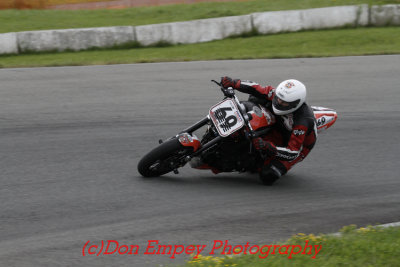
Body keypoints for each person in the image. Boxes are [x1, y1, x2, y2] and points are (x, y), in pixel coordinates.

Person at [220, 76, 317, 185]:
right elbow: (255, 88)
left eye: (283, 102)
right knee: (256, 98)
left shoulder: (302, 121)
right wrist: (234, 83)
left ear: (295, 103)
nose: (279, 102)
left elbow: (293, 152)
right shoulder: (278, 95)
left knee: (268, 175)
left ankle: (254, 163)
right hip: (277, 125)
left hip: (294, 144)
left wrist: (267, 146)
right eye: (278, 98)